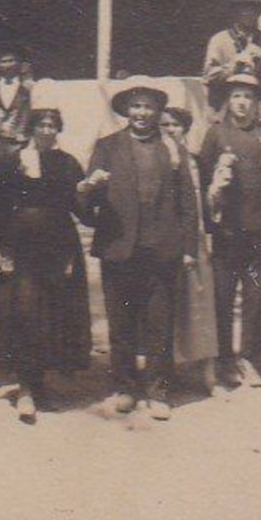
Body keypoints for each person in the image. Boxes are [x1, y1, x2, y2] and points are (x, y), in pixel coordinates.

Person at [78, 77, 201, 419]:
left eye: (148, 106)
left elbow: (188, 203)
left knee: (160, 322)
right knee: (121, 323)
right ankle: (124, 386)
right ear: (126, 111)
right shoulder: (107, 146)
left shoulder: (171, 147)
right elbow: (89, 202)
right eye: (135, 106)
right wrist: (90, 188)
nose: (142, 113)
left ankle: (158, 390)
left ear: (158, 111)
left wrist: (188, 247)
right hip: (119, 247)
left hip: (162, 249)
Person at [0, 102, 90, 422]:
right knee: (23, 312)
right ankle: (25, 389)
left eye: (52, 126)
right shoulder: (13, 161)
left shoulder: (68, 163)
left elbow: (81, 211)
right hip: (20, 245)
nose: (47, 131)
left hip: (59, 245)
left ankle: (41, 384)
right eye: (41, 125)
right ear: (32, 128)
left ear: (58, 130)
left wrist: (89, 191)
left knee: (54, 314)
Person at [197, 70, 261, 391]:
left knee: (256, 296)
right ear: (228, 101)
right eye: (236, 96)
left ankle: (250, 359)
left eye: (248, 97)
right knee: (224, 297)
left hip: (258, 232)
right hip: (228, 233)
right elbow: (202, 181)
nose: (242, 103)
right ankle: (225, 360)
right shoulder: (216, 135)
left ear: (257, 102)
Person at [160, 104, 220, 394]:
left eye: (174, 125)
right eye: (165, 125)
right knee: (168, 305)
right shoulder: (157, 158)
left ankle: (207, 373)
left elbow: (206, 205)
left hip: (195, 241)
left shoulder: (196, 161)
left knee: (201, 303)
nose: (169, 130)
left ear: (185, 128)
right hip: (166, 242)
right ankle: (167, 371)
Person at [202, 0, 261, 132]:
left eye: (254, 10)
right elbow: (208, 76)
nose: (249, 14)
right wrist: (232, 66)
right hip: (226, 108)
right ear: (236, 13)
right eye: (244, 10)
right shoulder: (220, 40)